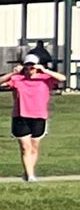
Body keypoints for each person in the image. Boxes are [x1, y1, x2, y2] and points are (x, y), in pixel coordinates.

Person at [4, 51, 66, 181]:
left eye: (32, 66)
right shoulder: (17, 79)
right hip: (21, 116)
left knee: (34, 147)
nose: (30, 69)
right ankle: (31, 176)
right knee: (25, 147)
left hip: (39, 116)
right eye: (27, 66)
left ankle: (28, 172)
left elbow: (62, 79)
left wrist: (45, 70)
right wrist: (12, 73)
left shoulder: (45, 78)